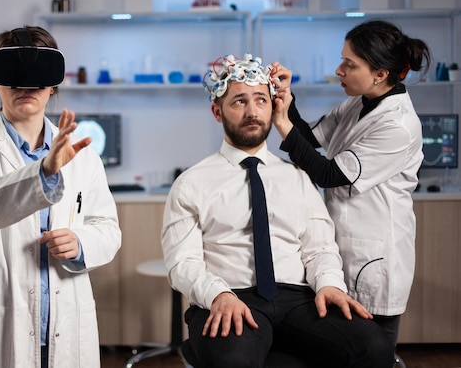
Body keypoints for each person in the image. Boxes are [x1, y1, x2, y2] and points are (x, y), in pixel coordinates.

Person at [161, 54, 395, 368]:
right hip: (230, 295)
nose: (252, 111)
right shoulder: (191, 183)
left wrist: (329, 284)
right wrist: (217, 294)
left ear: (274, 106)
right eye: (239, 101)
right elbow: (182, 263)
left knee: (374, 346)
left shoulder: (297, 177)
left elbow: (320, 248)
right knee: (233, 362)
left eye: (261, 100)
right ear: (217, 112)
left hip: (297, 299)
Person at [0, 26, 121, 368]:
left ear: (53, 83)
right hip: (1, 321)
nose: (26, 86)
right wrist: (44, 172)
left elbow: (108, 229)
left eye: (37, 76)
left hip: (66, 317)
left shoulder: (82, 155)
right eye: (13, 75)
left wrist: (81, 243)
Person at [271, 19, 430, 347]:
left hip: (375, 256)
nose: (339, 70)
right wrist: (287, 100)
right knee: (340, 350)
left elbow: (328, 174)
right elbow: (310, 137)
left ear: (380, 73)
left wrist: (282, 123)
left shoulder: (397, 125)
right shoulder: (359, 102)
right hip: (341, 245)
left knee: (373, 353)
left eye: (349, 64)